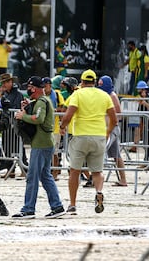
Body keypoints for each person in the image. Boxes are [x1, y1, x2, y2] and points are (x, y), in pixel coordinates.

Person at [60, 69, 117, 215]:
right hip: (99, 136)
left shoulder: (78, 94)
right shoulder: (104, 95)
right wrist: (107, 132)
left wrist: (62, 127)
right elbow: (114, 118)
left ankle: (72, 205)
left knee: (74, 171)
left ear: (83, 81)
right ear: (95, 82)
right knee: (97, 172)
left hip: (81, 136)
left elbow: (69, 114)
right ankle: (98, 191)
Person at [12, 76, 65, 219]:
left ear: (34, 88)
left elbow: (39, 119)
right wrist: (27, 108)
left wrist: (22, 116)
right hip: (44, 143)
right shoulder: (40, 101)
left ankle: (28, 209)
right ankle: (57, 206)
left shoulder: (42, 101)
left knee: (32, 176)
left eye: (29, 87)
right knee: (45, 176)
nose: (27, 90)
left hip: (41, 144)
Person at [98, 75, 127, 187]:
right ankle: (123, 180)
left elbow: (119, 114)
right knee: (116, 156)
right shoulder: (106, 95)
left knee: (101, 150)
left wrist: (110, 125)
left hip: (112, 129)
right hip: (109, 127)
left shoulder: (112, 96)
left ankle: (95, 177)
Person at [0, 73, 26, 176]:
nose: (4, 84)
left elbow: (16, 108)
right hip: (6, 124)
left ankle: (24, 169)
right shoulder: (5, 94)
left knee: (19, 147)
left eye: (6, 82)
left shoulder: (18, 94)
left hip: (15, 124)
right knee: (6, 147)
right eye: (3, 82)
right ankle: (11, 170)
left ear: (11, 82)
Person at [43, 77, 65, 180]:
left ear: (50, 85)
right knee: (45, 150)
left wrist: (54, 110)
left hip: (55, 127)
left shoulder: (56, 94)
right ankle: (47, 171)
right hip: (44, 127)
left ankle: (55, 172)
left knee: (54, 152)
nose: (44, 87)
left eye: (45, 85)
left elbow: (63, 108)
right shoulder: (41, 95)